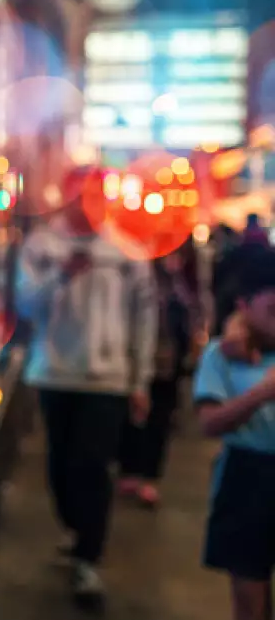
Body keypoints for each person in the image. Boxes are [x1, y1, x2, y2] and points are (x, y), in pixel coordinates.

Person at [17, 166, 158, 613]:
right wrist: (61, 275)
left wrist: (140, 380)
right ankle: (77, 528)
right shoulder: (43, 245)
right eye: (81, 196)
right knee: (60, 464)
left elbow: (144, 318)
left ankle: (88, 556)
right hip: (55, 373)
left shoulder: (127, 251)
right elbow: (24, 303)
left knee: (93, 464)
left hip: (107, 379)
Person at [193, 248, 275, 620]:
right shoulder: (220, 355)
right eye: (272, 309)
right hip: (246, 481)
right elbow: (209, 423)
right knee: (248, 597)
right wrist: (261, 394)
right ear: (244, 305)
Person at [118, 242, 200, 507]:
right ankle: (131, 470)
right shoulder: (135, 272)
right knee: (133, 416)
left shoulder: (178, 281)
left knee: (158, 418)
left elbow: (190, 315)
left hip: (165, 361)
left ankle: (147, 475)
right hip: (134, 358)